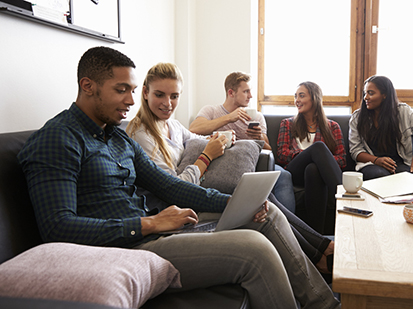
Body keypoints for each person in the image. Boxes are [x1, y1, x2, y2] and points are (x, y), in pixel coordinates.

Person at [17, 46, 340, 309]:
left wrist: (237, 204)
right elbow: (57, 228)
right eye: (121, 91)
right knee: (255, 249)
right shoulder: (57, 139)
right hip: (126, 248)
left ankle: (323, 303)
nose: (131, 101)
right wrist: (149, 224)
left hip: (152, 230)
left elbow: (169, 185)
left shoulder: (116, 138)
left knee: (263, 214)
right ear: (87, 86)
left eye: (132, 90)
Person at [127, 62, 334, 274]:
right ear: (145, 92)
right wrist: (207, 156)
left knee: (265, 200)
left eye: (174, 96)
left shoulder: (173, 125)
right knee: (263, 209)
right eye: (160, 95)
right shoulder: (142, 136)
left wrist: (222, 140)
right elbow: (173, 189)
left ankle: (322, 248)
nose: (168, 103)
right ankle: (319, 255)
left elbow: (199, 138)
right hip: (177, 210)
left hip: (195, 195)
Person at [189, 72, 296, 212]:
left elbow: (269, 150)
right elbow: (193, 129)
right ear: (231, 93)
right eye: (246, 91)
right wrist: (229, 118)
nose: (250, 96)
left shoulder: (257, 116)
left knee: (283, 175)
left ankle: (285, 224)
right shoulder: (211, 110)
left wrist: (259, 137)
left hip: (254, 163)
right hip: (221, 164)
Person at [277, 81, 346, 234]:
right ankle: (345, 196)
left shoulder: (332, 127)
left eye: (302, 96)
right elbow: (282, 154)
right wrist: (309, 155)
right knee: (319, 148)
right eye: (295, 96)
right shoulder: (287, 124)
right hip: (295, 171)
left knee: (313, 169)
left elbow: (342, 159)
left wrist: (319, 161)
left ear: (314, 98)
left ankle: (318, 238)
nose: (297, 100)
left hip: (315, 174)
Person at [349, 75, 413, 180]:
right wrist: (377, 160)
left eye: (371, 93)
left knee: (410, 178)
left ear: (384, 94)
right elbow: (355, 151)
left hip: (400, 164)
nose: (365, 97)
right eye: (365, 93)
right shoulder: (357, 118)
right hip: (371, 164)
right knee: (380, 176)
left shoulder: (403, 112)